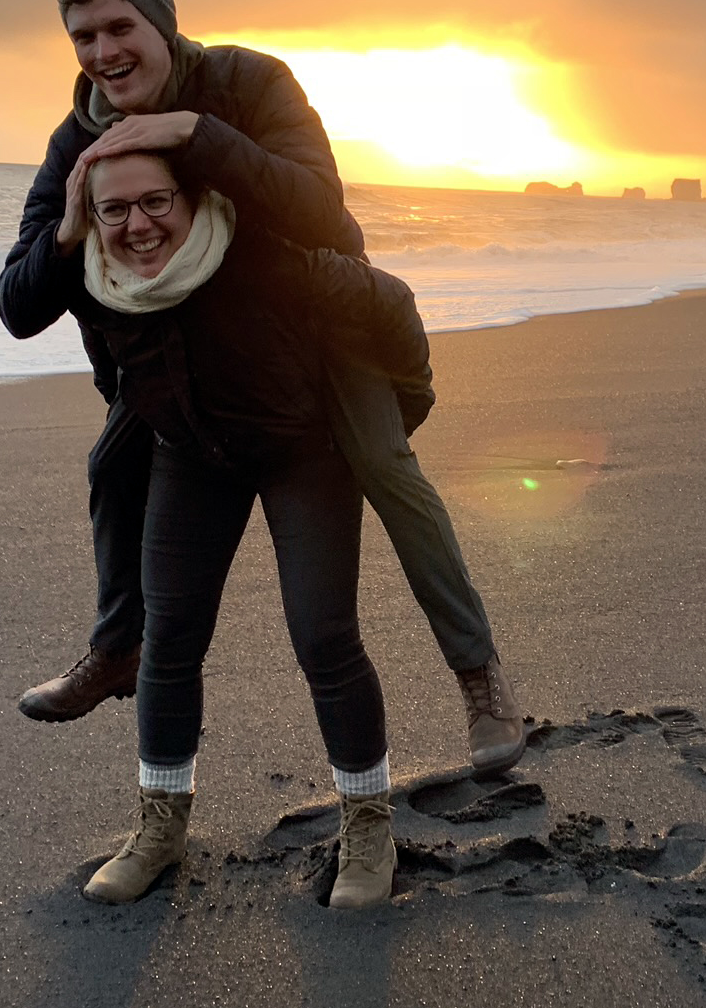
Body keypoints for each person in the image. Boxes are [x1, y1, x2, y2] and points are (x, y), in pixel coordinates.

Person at [0, 0, 526, 775]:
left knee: (386, 468)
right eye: (82, 37)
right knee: (111, 464)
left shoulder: (249, 85)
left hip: (319, 325)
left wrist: (195, 136)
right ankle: (117, 649)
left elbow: (322, 210)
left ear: (161, 20)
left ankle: (477, 672)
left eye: (118, 26)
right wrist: (67, 235)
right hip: (195, 360)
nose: (103, 54)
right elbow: (18, 308)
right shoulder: (77, 141)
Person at [38, 147, 423, 906]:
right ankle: (161, 825)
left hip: (303, 453)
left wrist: (395, 421)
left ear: (191, 198)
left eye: (156, 202)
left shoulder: (263, 257)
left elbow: (391, 304)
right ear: (91, 218)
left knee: (324, 635)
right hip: (193, 455)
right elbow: (113, 376)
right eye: (114, 209)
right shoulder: (98, 284)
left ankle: (369, 823)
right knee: (170, 636)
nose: (138, 225)